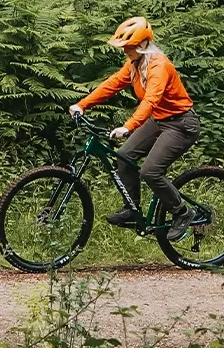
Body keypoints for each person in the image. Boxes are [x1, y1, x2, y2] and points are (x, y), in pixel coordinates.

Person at [68, 16, 199, 239]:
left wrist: (128, 127)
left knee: (150, 171)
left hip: (180, 124)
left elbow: (151, 100)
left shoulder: (159, 66)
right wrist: (82, 105)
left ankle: (182, 212)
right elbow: (111, 85)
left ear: (142, 45)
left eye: (128, 46)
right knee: (124, 156)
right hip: (159, 119)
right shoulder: (135, 64)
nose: (125, 50)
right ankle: (132, 209)